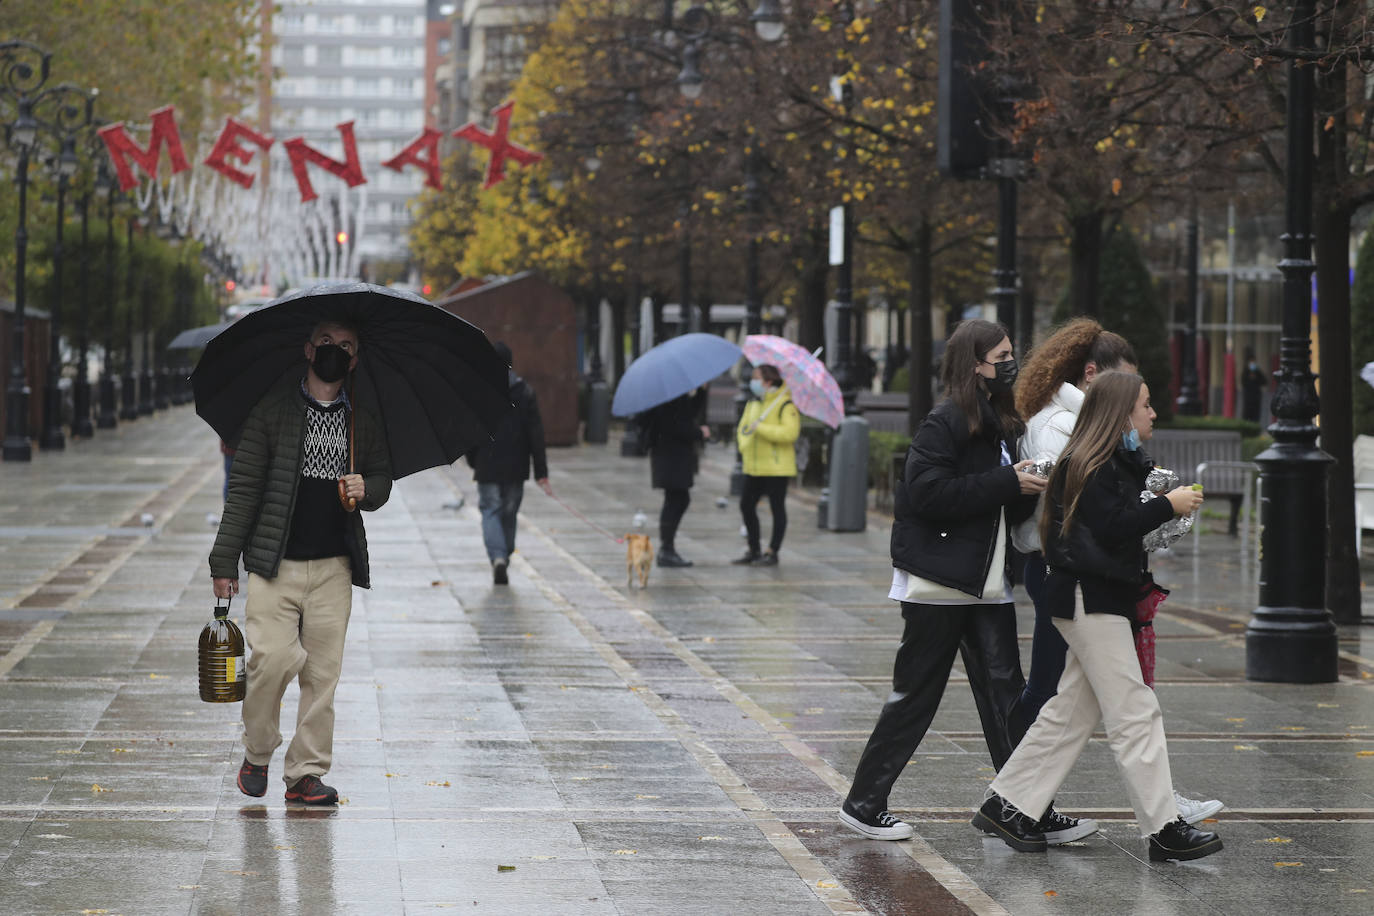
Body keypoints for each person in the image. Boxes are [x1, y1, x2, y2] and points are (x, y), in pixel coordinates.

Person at [839, 319, 1095, 845]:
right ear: (974, 363)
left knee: (1006, 694)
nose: (1009, 364)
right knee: (916, 694)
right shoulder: (946, 419)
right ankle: (864, 804)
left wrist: (1023, 481)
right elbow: (926, 493)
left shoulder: (996, 419)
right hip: (939, 584)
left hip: (985, 582)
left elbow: (987, 498)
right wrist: (1006, 480)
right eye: (1001, 355)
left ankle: (1025, 807)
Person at [975, 370, 1222, 862]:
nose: (1153, 414)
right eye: (1146, 406)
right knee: (1135, 712)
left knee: (1071, 713)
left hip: (1097, 597)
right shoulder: (1093, 463)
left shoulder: (1112, 460)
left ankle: (1008, 803)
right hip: (1090, 599)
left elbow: (1114, 525)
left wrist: (1158, 500)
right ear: (1120, 414)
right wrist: (1167, 506)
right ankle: (1164, 826)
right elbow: (1113, 528)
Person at [209, 320, 391, 806]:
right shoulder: (272, 412)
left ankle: (305, 773)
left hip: (334, 567)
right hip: (275, 564)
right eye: (326, 343)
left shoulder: (361, 419)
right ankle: (258, 751)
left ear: (354, 360)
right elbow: (243, 490)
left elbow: (381, 477)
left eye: (346, 346)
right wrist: (223, 560)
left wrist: (366, 490)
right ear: (309, 349)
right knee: (270, 660)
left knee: (322, 676)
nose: (335, 352)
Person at [467, 341, 551, 586]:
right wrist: (541, 471)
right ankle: (504, 554)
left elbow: (470, 430)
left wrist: (474, 460)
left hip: (487, 465)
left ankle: (498, 558)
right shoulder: (525, 391)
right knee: (509, 513)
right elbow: (536, 434)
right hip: (516, 467)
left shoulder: (479, 391)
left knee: (490, 511)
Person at [733, 364, 800, 566]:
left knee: (777, 508)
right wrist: (744, 445)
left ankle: (773, 551)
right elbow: (742, 429)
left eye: (756, 378)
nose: (752, 382)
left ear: (768, 381)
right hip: (754, 466)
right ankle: (754, 549)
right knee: (746, 506)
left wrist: (761, 428)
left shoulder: (785, 405)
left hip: (777, 468)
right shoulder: (754, 403)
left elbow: (790, 434)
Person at [641, 388, 710, 567]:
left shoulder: (673, 394)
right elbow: (678, 426)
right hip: (671, 456)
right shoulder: (670, 396)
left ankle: (667, 548)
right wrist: (699, 433)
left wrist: (702, 392)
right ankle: (666, 549)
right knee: (676, 500)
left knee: (677, 499)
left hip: (672, 455)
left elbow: (687, 414)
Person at [1241, 347, 1266, 423]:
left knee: (1255, 417)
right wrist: (1250, 379)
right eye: (1251, 361)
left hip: (1256, 398)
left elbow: (1264, 381)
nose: (1252, 363)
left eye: (1253, 361)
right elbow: (1243, 383)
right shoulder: (1245, 372)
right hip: (1248, 398)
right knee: (1246, 416)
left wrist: (1256, 379)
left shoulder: (1258, 372)